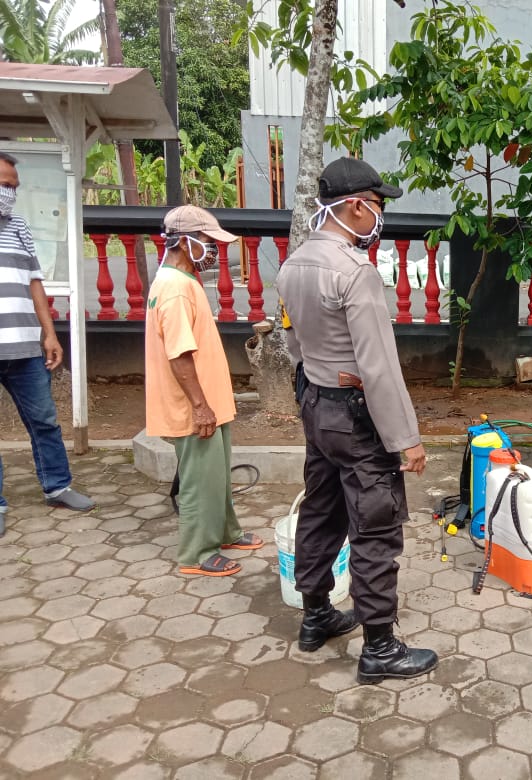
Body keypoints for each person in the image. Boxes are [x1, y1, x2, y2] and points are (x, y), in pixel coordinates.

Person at [275, 156, 436, 684]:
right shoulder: (355, 272)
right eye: (377, 205)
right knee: (374, 526)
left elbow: (294, 342)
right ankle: (380, 648)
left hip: (317, 406)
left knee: (321, 512)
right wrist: (405, 440)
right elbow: (379, 366)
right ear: (353, 206)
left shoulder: (292, 265)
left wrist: (317, 382)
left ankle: (316, 614)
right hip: (357, 418)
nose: (380, 215)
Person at [145, 205, 263, 577]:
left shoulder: (182, 281)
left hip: (210, 402)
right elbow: (179, 355)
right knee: (199, 482)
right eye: (207, 242)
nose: (213, 250)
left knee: (216, 475)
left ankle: (226, 532)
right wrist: (199, 406)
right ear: (183, 242)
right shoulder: (176, 290)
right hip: (194, 406)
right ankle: (197, 554)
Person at [0, 151, 94, 536]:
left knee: (44, 419)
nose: (10, 194)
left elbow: (35, 283)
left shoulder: (19, 226)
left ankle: (57, 485)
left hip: (24, 347)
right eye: (5, 185)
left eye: (14, 188)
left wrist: (49, 333)